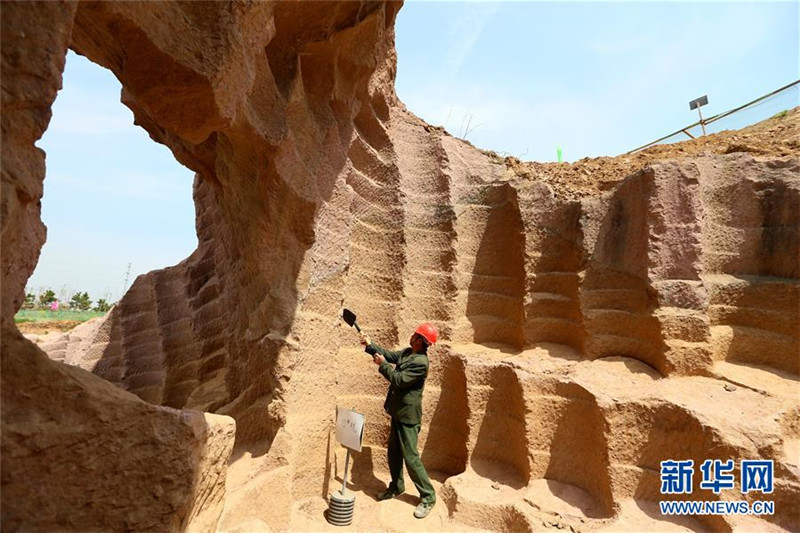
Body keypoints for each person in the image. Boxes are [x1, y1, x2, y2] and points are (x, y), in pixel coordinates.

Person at [360, 323, 439, 519]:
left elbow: (399, 379)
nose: (411, 336)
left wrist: (382, 364)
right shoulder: (407, 353)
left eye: (415, 335)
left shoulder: (421, 363)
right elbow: (387, 354)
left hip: (408, 417)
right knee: (394, 452)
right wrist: (370, 346)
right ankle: (396, 487)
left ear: (421, 341)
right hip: (398, 412)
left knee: (411, 457)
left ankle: (428, 497)